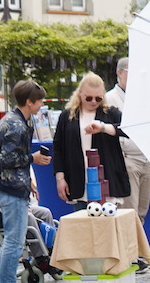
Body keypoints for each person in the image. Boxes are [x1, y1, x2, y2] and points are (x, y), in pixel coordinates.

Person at [0, 80, 46, 283]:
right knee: (15, 239)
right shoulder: (17, 125)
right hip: (9, 187)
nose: (41, 106)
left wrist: (27, 179)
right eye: (39, 102)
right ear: (29, 102)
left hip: (9, 184)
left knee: (12, 237)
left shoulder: (14, 120)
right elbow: (7, 158)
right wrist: (33, 159)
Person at [51, 74, 131, 210]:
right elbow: (58, 148)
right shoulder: (68, 116)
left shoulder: (109, 113)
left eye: (98, 98)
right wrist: (60, 178)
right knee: (82, 224)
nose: (94, 102)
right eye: (89, 98)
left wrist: (103, 127)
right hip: (78, 181)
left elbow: (128, 129)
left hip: (106, 180)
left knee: (107, 225)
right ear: (80, 94)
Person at [103, 57, 150, 220]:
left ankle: (136, 244)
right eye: (130, 72)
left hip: (147, 158)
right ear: (119, 73)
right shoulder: (110, 98)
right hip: (128, 159)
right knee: (129, 211)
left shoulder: (143, 96)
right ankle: (129, 245)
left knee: (142, 211)